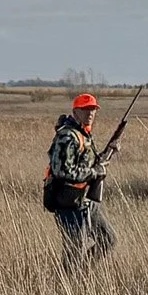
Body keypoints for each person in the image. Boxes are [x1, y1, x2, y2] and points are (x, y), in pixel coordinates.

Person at [44, 92, 118, 267]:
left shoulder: (83, 134)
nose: (90, 113)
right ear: (75, 112)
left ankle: (82, 274)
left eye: (93, 109)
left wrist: (109, 153)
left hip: (84, 201)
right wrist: (93, 172)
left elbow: (87, 162)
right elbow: (62, 171)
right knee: (74, 251)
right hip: (68, 202)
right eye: (85, 109)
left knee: (107, 239)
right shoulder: (68, 136)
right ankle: (68, 284)